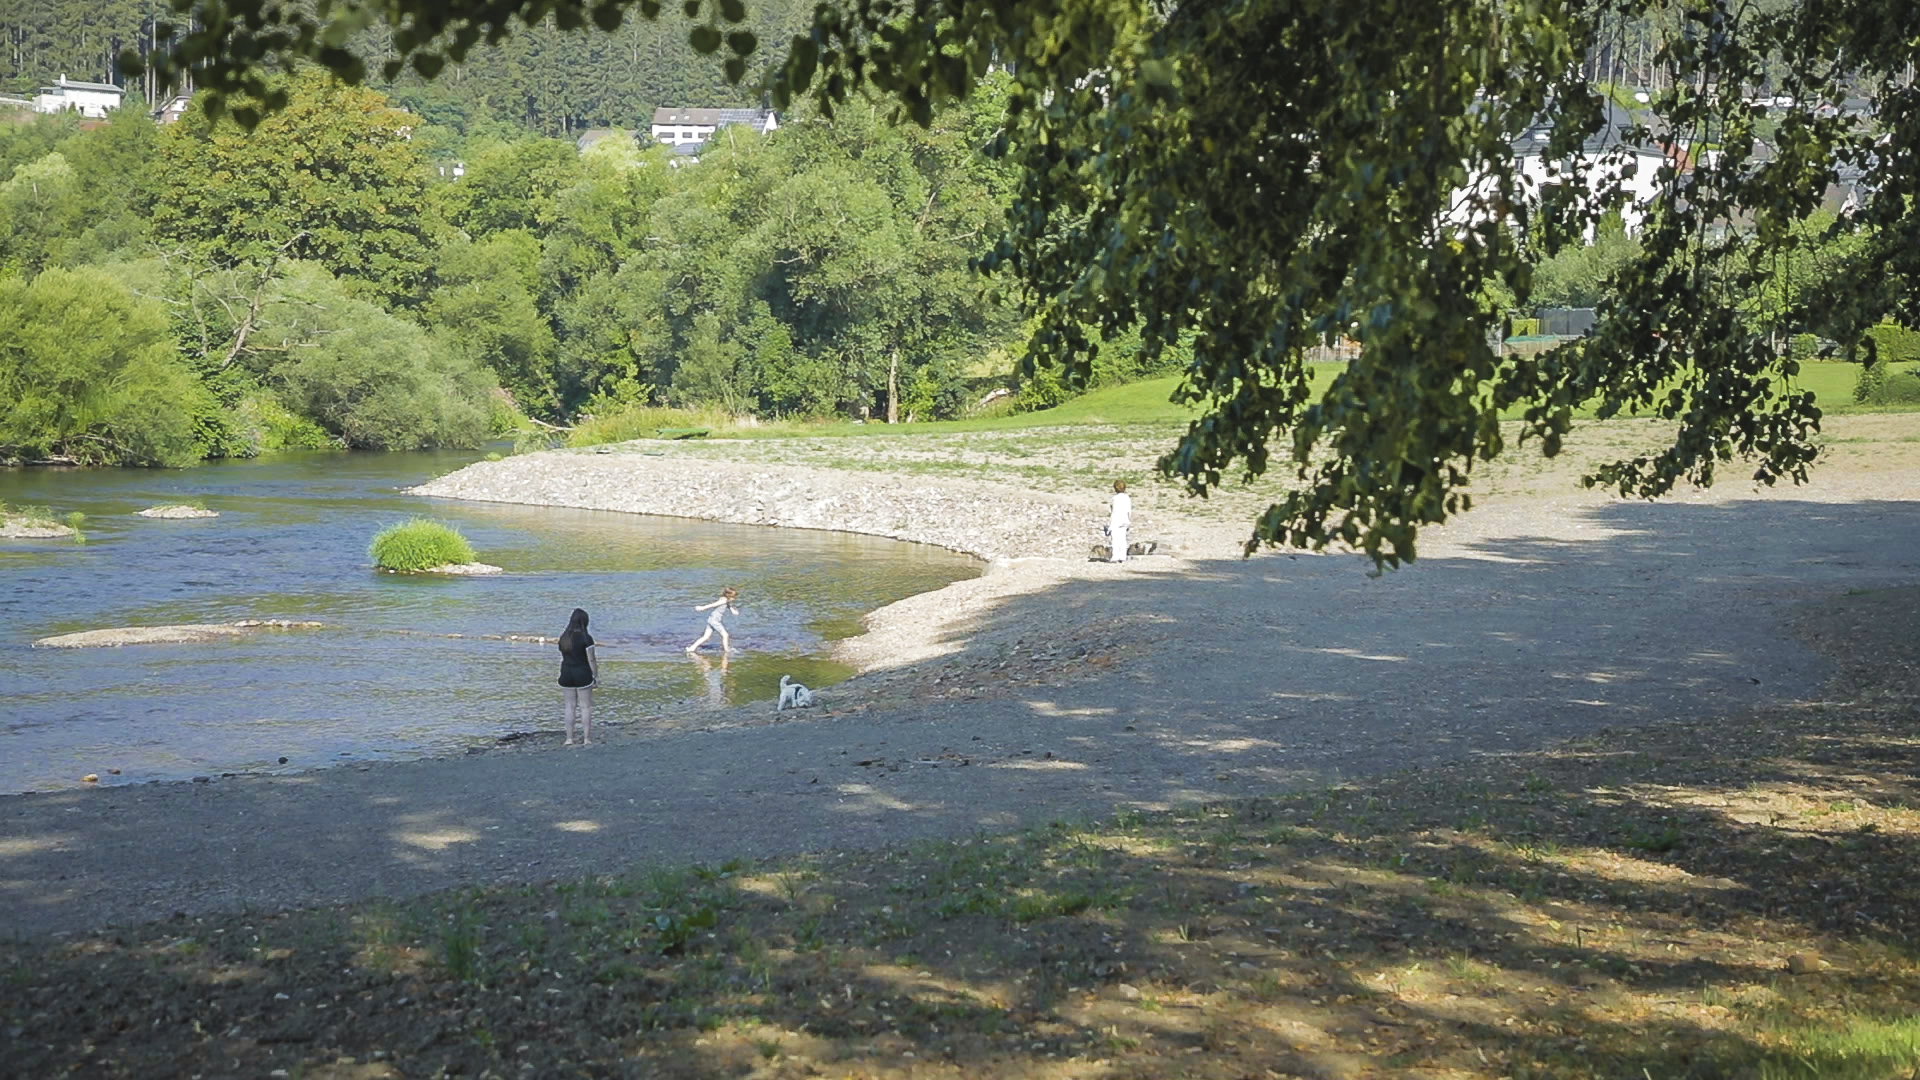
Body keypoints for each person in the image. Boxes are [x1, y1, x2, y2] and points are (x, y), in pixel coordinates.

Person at [556, 608, 598, 746]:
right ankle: (587, 738)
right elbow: (591, 659)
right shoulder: (586, 638)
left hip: (566, 672)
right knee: (585, 707)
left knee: (569, 706)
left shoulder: (564, 637)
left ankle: (569, 738)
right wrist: (595, 676)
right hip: (582, 673)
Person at [686, 585, 739, 654]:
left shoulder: (724, 600)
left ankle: (692, 648)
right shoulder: (723, 601)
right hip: (715, 621)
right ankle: (726, 651)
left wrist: (732, 610)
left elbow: (728, 604)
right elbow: (713, 605)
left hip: (711, 620)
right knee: (725, 635)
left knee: (706, 637)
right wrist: (702, 608)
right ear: (728, 595)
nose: (734, 598)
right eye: (733, 597)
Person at [1107, 479, 1133, 563]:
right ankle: (1123, 556)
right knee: (1122, 539)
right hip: (1125, 519)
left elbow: (1113, 510)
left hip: (1116, 520)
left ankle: (1115, 556)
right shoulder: (1127, 498)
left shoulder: (1115, 498)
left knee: (1115, 538)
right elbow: (1129, 510)